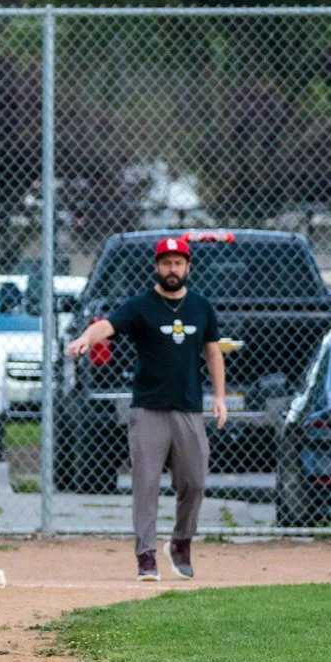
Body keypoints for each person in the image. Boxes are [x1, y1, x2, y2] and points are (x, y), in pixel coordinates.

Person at [66, 236, 226, 582]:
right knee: (146, 484)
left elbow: (213, 352)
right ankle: (146, 555)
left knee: (195, 482)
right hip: (148, 408)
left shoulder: (201, 307)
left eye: (178, 263)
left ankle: (180, 543)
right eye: (166, 263)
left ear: (188, 267)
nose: (172, 269)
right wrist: (85, 338)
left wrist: (220, 396)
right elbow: (106, 325)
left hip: (187, 408)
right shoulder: (141, 306)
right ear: (157, 267)